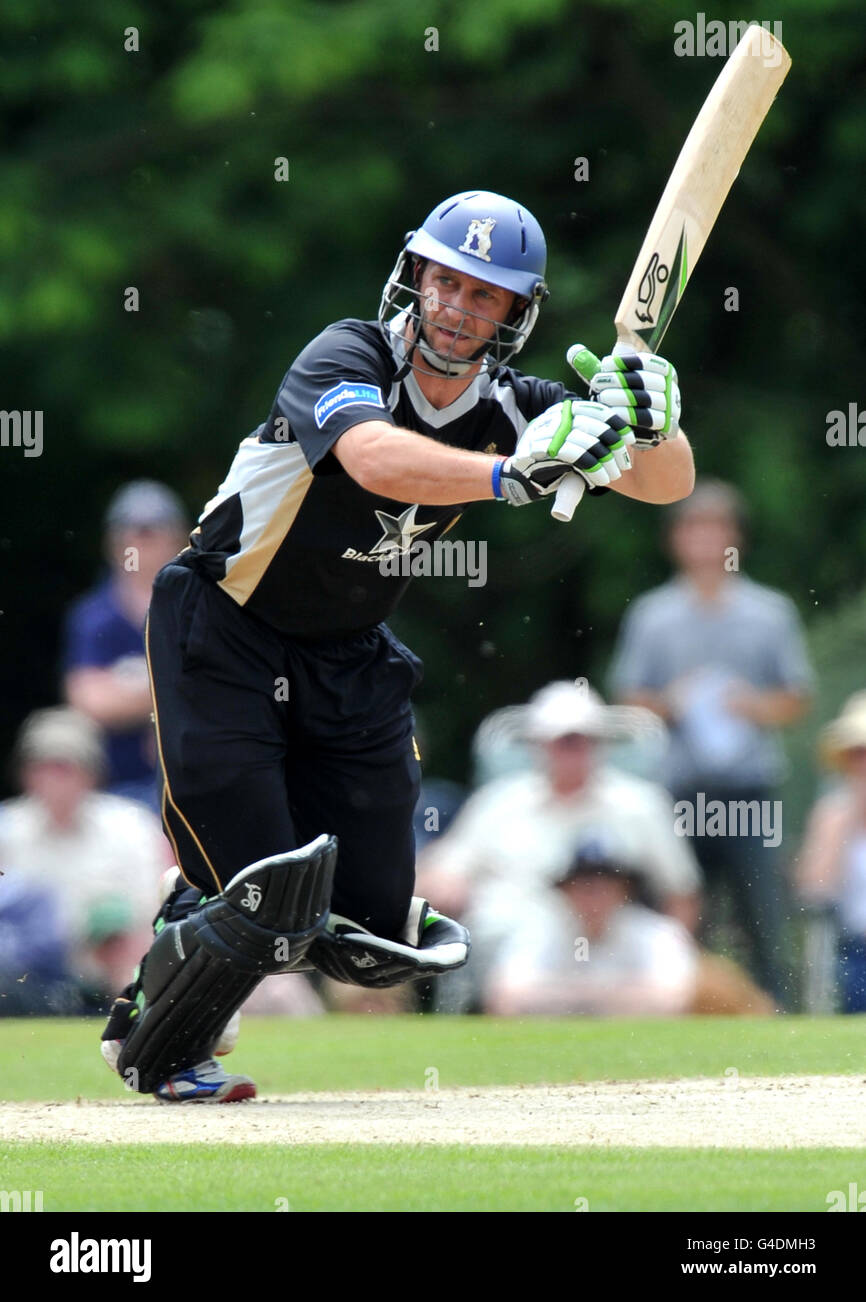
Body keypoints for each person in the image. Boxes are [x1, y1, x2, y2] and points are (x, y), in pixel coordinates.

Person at [100, 189, 695, 1103]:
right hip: (224, 627)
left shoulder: (517, 408)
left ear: (514, 313)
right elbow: (372, 457)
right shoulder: (348, 354)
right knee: (266, 892)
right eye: (445, 281)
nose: (457, 307)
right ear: (414, 278)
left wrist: (650, 419)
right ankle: (164, 1037)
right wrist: (512, 474)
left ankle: (303, 903)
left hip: (349, 654)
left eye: (484, 294)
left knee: (373, 940)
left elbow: (668, 483)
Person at [608, 479, 813, 1004]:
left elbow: (796, 698)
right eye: (694, 529)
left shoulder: (770, 613)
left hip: (749, 789)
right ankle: (673, 1012)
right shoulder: (653, 616)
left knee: (764, 912)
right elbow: (629, 701)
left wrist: (750, 705)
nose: (705, 541)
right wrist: (671, 703)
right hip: (679, 791)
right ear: (675, 540)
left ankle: (781, 1013)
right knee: (678, 914)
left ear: (736, 538)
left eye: (715, 529)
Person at [418, 679, 702, 1009]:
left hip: (609, 947)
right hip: (506, 946)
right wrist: (446, 882)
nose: (572, 751)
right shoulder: (498, 803)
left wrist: (670, 952)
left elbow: (681, 891)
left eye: (581, 740)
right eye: (563, 741)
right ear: (539, 745)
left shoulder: (641, 805)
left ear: (601, 744)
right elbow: (442, 870)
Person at [0, 709, 165, 1006]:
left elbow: (156, 913)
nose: (53, 780)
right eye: (42, 767)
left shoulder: (131, 826)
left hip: (111, 976)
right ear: (25, 773)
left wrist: (113, 925)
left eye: (64, 768)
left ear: (92, 773)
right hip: (26, 981)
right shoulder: (6, 830)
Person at [62, 481, 188, 810]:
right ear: (113, 541)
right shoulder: (93, 615)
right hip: (111, 793)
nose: (140, 543)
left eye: (152, 532)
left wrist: (126, 688)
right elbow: (89, 702)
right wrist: (171, 689)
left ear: (178, 538)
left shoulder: (198, 608)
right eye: (132, 532)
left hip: (189, 786)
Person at [484, 842, 699, 1016]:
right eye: (584, 888)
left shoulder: (655, 933)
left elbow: (679, 998)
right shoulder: (539, 931)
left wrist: (566, 997)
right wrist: (617, 997)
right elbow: (504, 998)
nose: (594, 899)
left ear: (624, 891)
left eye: (604, 887)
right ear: (565, 891)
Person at [797, 692, 866, 1012]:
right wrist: (850, 818)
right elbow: (814, 890)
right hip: (855, 950)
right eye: (857, 753)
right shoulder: (832, 814)